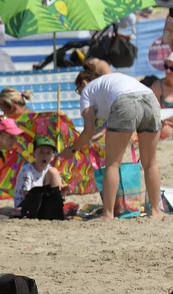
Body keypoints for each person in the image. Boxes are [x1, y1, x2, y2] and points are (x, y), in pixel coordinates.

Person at [63, 69, 163, 219]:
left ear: (84, 83)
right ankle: (156, 210)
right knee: (150, 163)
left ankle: (108, 213)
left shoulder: (87, 91)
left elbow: (88, 131)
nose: (80, 94)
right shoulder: (109, 82)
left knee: (112, 164)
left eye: (78, 90)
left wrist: (72, 149)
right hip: (150, 98)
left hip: (125, 101)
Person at [13, 136, 64, 207]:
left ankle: (56, 205)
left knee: (54, 171)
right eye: (41, 152)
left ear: (52, 156)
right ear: (34, 154)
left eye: (48, 153)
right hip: (25, 204)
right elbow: (26, 195)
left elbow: (56, 187)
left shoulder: (49, 169)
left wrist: (63, 189)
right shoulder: (27, 171)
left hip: (40, 201)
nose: (44, 156)